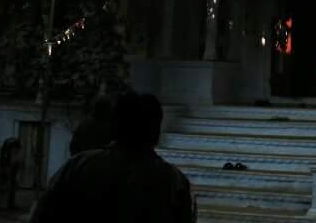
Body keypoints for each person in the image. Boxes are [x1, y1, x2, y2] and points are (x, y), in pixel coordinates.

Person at [30, 92, 194, 223]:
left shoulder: (77, 167)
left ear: (114, 125)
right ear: (156, 133)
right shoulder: (173, 182)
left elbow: (43, 214)